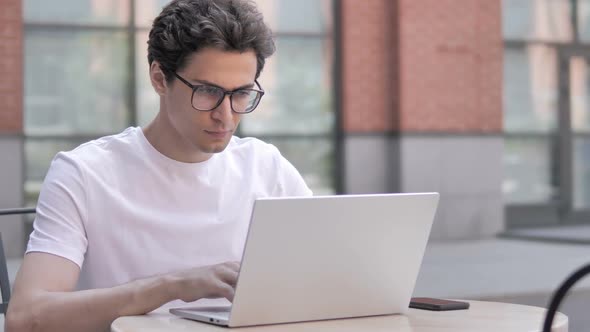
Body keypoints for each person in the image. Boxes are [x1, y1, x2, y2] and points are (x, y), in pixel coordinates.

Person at [5, 0, 311, 331]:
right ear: (159, 78)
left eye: (241, 93)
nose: (227, 114)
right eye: (208, 91)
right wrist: (171, 287)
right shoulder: (84, 173)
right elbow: (25, 318)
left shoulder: (267, 168)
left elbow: (330, 276)